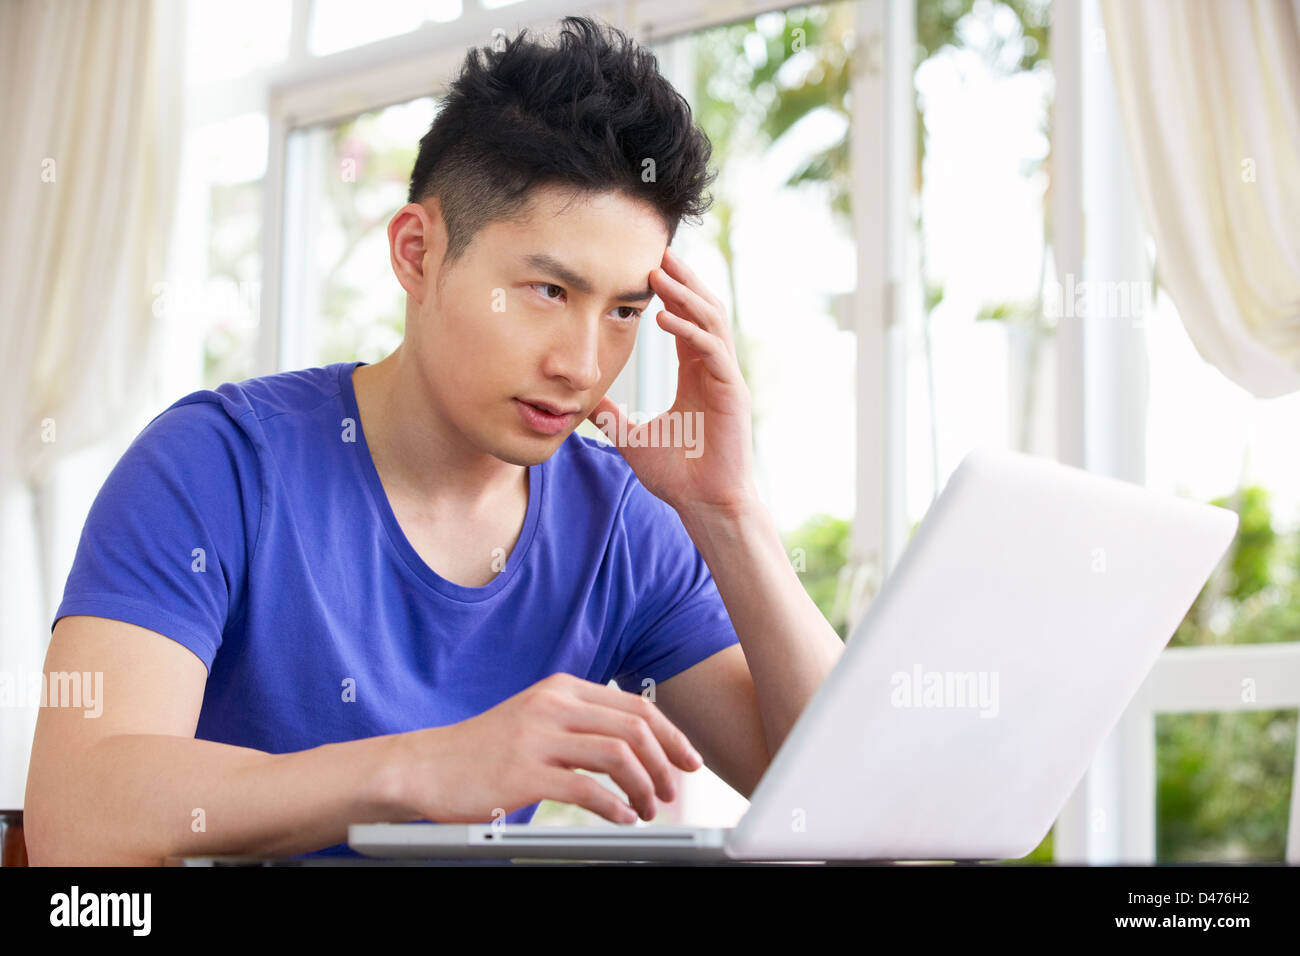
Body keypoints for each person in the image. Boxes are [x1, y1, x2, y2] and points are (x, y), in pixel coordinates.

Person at [24, 15, 845, 864]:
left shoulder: (620, 527)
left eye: (625, 311)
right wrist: (425, 766)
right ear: (417, 253)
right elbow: (77, 816)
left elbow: (845, 805)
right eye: (548, 291)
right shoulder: (216, 464)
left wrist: (728, 512)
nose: (583, 364)